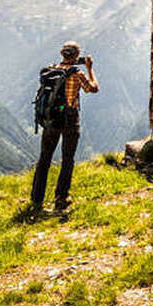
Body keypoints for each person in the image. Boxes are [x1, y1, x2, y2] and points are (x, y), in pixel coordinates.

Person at [29, 41, 98, 218]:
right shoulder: (76, 73)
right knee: (67, 158)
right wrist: (90, 68)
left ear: (62, 54)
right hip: (69, 118)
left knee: (44, 158)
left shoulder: (51, 70)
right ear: (76, 56)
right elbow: (93, 89)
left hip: (51, 119)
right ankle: (61, 199)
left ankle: (36, 200)